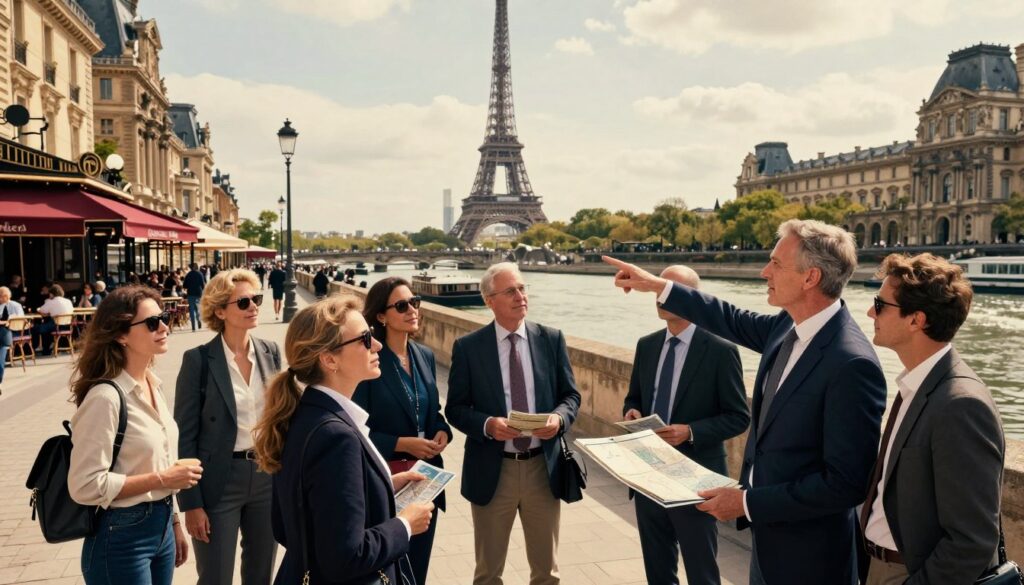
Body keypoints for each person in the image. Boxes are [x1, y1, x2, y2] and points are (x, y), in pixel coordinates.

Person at [602, 218, 887, 585]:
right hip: (769, 544)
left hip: (810, 558)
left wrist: (747, 503)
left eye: (776, 263)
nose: (764, 271)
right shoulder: (787, 327)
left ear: (810, 277)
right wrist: (660, 286)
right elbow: (729, 318)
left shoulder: (851, 363)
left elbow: (847, 484)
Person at [252, 296, 434, 584]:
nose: (377, 345)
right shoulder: (336, 436)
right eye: (365, 338)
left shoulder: (304, 415)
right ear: (329, 359)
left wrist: (381, 487)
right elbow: (347, 556)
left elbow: (286, 526)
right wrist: (405, 525)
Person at [860, 253, 1004, 584]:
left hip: (909, 573)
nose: (870, 312)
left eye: (880, 304)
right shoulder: (920, 384)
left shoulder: (961, 405)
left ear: (916, 320)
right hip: (879, 565)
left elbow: (972, 540)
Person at [445, 262, 581, 585]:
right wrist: (488, 424)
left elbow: (571, 396)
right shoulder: (468, 348)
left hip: (541, 469)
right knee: (489, 574)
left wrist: (559, 419)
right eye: (510, 291)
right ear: (489, 300)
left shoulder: (551, 339)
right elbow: (455, 409)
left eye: (522, 288)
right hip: (494, 470)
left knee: (547, 574)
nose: (520, 296)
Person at [622, 266, 750, 585]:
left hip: (696, 480)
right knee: (657, 568)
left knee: (701, 571)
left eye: (670, 288)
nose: (660, 296)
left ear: (694, 298)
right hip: (648, 474)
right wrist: (632, 412)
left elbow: (738, 416)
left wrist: (689, 432)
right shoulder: (647, 345)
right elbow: (633, 398)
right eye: (659, 287)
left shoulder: (721, 349)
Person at [67, 286, 203, 584]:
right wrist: (164, 480)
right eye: (152, 323)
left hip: (162, 524)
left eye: (163, 317)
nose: (165, 326)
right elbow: (85, 485)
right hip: (121, 536)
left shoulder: (154, 384)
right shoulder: (105, 397)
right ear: (121, 335)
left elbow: (162, 461)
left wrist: (174, 522)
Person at [174, 269, 278, 585]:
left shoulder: (270, 351)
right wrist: (191, 504)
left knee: (261, 575)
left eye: (256, 299)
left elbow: (280, 417)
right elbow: (185, 436)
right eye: (243, 302)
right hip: (218, 482)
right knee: (215, 577)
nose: (253, 307)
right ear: (220, 311)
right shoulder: (199, 360)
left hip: (266, 476)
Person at [354, 278, 454, 585]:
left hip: (426, 481)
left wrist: (442, 433)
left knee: (417, 569)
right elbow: (356, 429)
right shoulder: (368, 359)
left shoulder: (423, 355)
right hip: (388, 480)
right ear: (381, 316)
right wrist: (402, 443)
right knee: (387, 570)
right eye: (401, 305)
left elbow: (433, 413)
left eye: (415, 302)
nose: (412, 310)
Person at [33, 284, 74, 355]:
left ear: (52, 293)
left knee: (36, 328)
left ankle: (35, 349)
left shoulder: (51, 302)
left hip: (56, 326)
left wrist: (38, 309)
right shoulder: (68, 301)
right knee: (46, 328)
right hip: (68, 326)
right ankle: (47, 349)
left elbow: (42, 310)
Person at [0, 286, 26, 396]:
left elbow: (20, 319)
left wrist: (9, 322)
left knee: (0, 359)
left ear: (6, 296)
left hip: (10, 331)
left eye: (1, 296)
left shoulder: (15, 305)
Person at [184, 263, 206, 331]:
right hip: (198, 293)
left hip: (190, 293)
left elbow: (185, 285)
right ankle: (199, 320)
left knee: (191, 310)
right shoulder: (200, 274)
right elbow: (203, 284)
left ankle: (193, 326)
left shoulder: (188, 274)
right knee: (198, 309)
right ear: (196, 267)